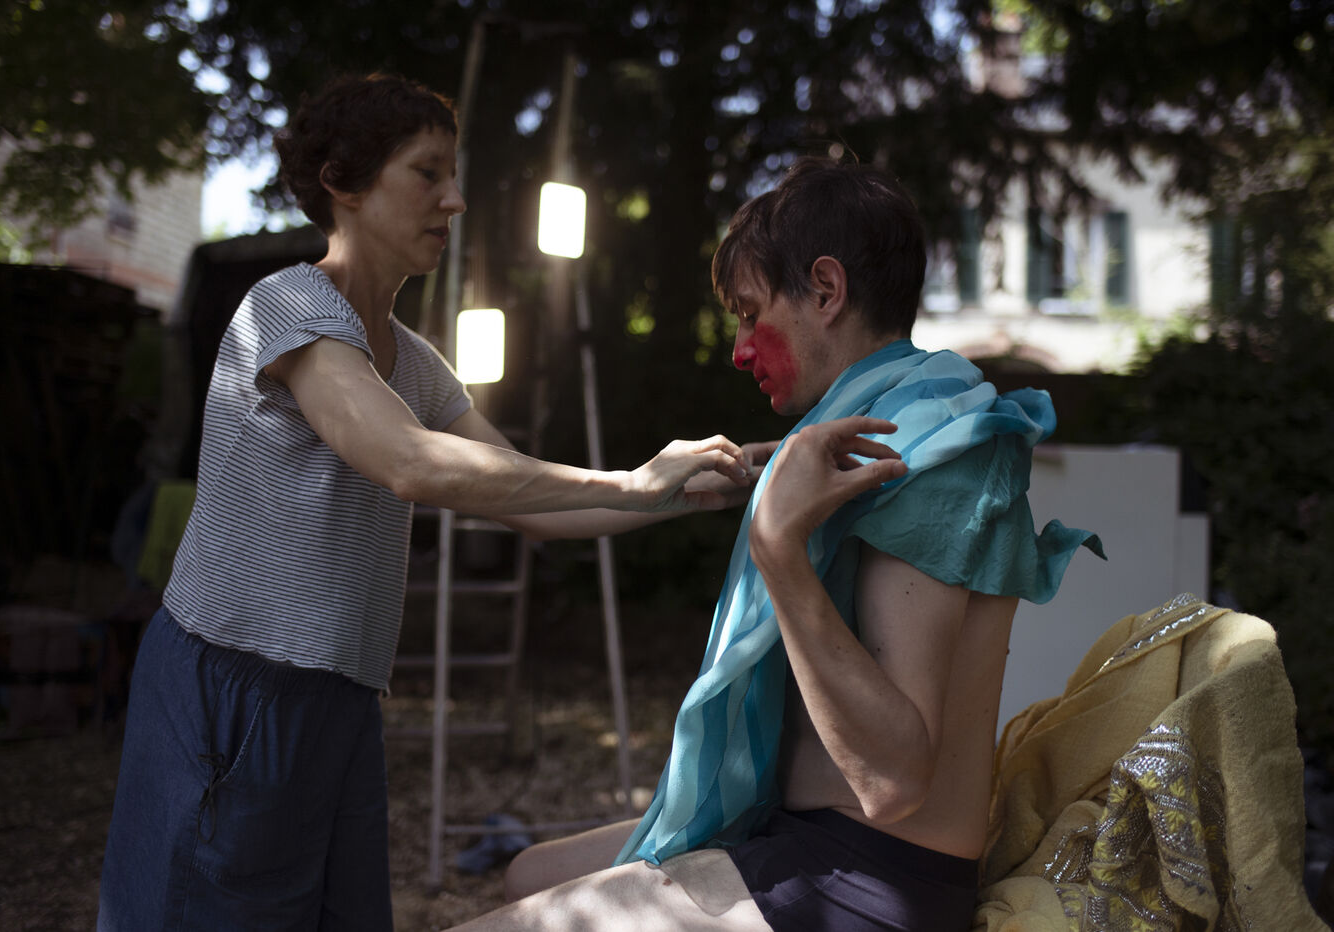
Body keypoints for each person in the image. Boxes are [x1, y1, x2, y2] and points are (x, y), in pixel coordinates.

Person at [95, 72, 760, 931]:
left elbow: (535, 505)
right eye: (426, 173)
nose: (454, 199)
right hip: (235, 687)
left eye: (454, 175)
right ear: (342, 183)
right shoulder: (287, 307)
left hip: (339, 704)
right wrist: (633, 483)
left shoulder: (413, 362)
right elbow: (407, 462)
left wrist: (689, 491)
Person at [451, 156, 1102, 931]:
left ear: (826, 290)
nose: (738, 349)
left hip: (871, 880)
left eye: (751, 313)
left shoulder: (928, 459)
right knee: (525, 875)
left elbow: (892, 781)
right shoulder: (895, 424)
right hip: (803, 836)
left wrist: (779, 549)